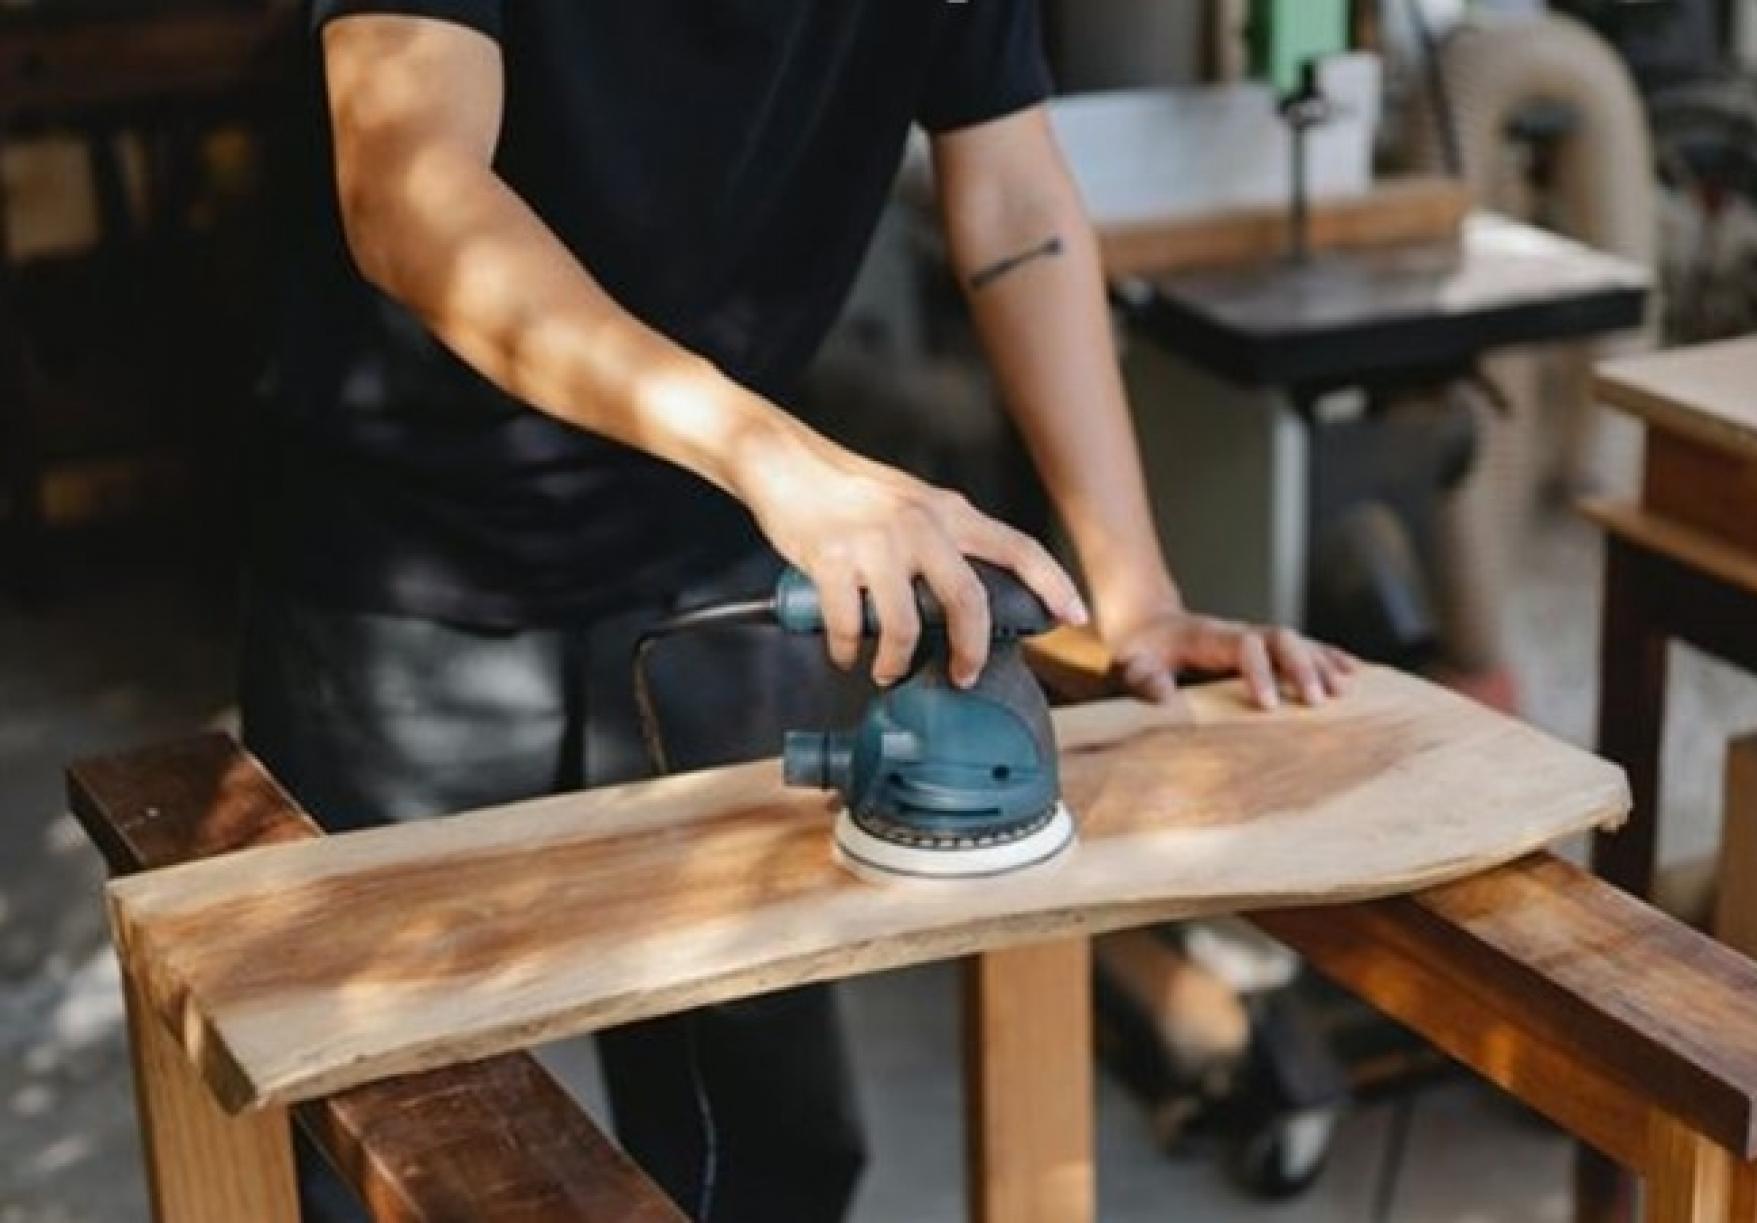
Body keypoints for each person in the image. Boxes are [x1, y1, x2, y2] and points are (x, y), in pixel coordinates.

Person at [247, 3, 1358, 1220]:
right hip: (402, 564)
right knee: (378, 1138)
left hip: (713, 547)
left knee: (772, 1147)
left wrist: (1137, 589)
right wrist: (770, 455)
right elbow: (409, 188)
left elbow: (1013, 203)